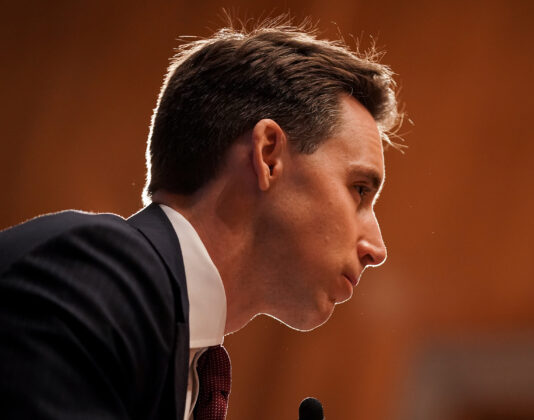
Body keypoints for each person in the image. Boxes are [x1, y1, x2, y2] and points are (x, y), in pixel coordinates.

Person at [0, 18, 401, 420]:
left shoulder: (180, 355)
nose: (377, 249)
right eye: (360, 190)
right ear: (268, 156)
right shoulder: (94, 268)